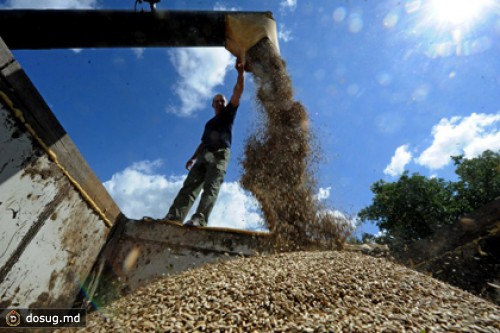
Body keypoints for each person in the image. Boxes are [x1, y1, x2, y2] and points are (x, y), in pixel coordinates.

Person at [164, 59, 245, 227]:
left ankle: (199, 219)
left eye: (223, 100)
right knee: (189, 187)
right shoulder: (209, 123)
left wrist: (240, 73)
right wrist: (193, 158)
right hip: (203, 155)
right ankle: (173, 217)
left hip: (220, 154)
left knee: (211, 187)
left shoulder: (229, 113)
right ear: (212, 105)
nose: (221, 103)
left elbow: (237, 92)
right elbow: (202, 142)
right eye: (218, 101)